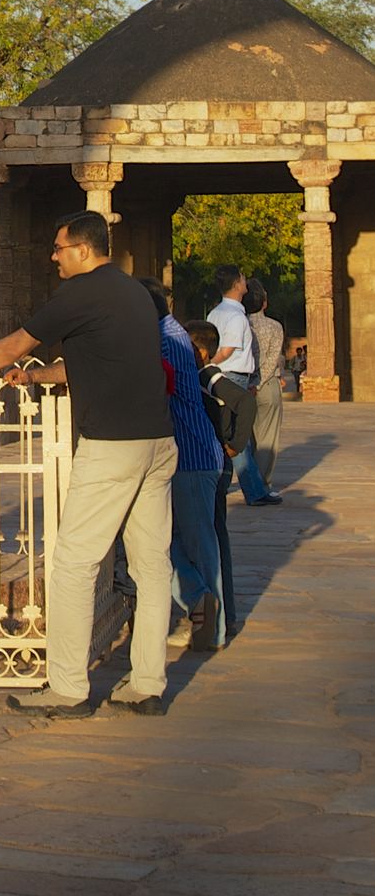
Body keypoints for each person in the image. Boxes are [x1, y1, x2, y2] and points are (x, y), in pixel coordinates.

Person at [0, 210, 177, 719]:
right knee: (151, 565)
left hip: (113, 445)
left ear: (81, 249)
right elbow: (94, 360)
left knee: (73, 565)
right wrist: (36, 379)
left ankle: (68, 687)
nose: (52, 257)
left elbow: (16, 343)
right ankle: (147, 683)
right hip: (157, 442)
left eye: (58, 248)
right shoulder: (132, 293)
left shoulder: (80, 293)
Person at [138, 278, 225, 650]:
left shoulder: (169, 339)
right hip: (187, 457)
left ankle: (209, 622)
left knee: (196, 544)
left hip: (191, 456)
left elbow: (154, 388)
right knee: (170, 542)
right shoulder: (167, 334)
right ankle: (201, 609)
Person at [187, 322, 258, 639]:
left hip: (215, 460)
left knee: (212, 541)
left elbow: (245, 402)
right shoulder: (202, 377)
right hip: (216, 458)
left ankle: (220, 615)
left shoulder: (208, 376)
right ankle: (223, 614)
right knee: (217, 539)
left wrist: (237, 443)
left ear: (200, 351)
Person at [206, 265, 281, 506]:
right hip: (234, 376)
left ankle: (223, 484)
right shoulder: (237, 317)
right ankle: (254, 490)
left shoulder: (215, 313)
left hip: (221, 376)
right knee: (239, 438)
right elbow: (226, 349)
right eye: (242, 277)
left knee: (226, 433)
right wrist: (207, 363)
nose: (245, 280)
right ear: (237, 284)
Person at [244, 278, 285, 487]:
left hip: (242, 385)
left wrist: (250, 382)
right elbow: (271, 359)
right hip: (266, 386)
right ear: (264, 302)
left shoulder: (240, 324)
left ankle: (250, 483)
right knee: (267, 438)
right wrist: (258, 383)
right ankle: (260, 485)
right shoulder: (274, 326)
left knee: (246, 439)